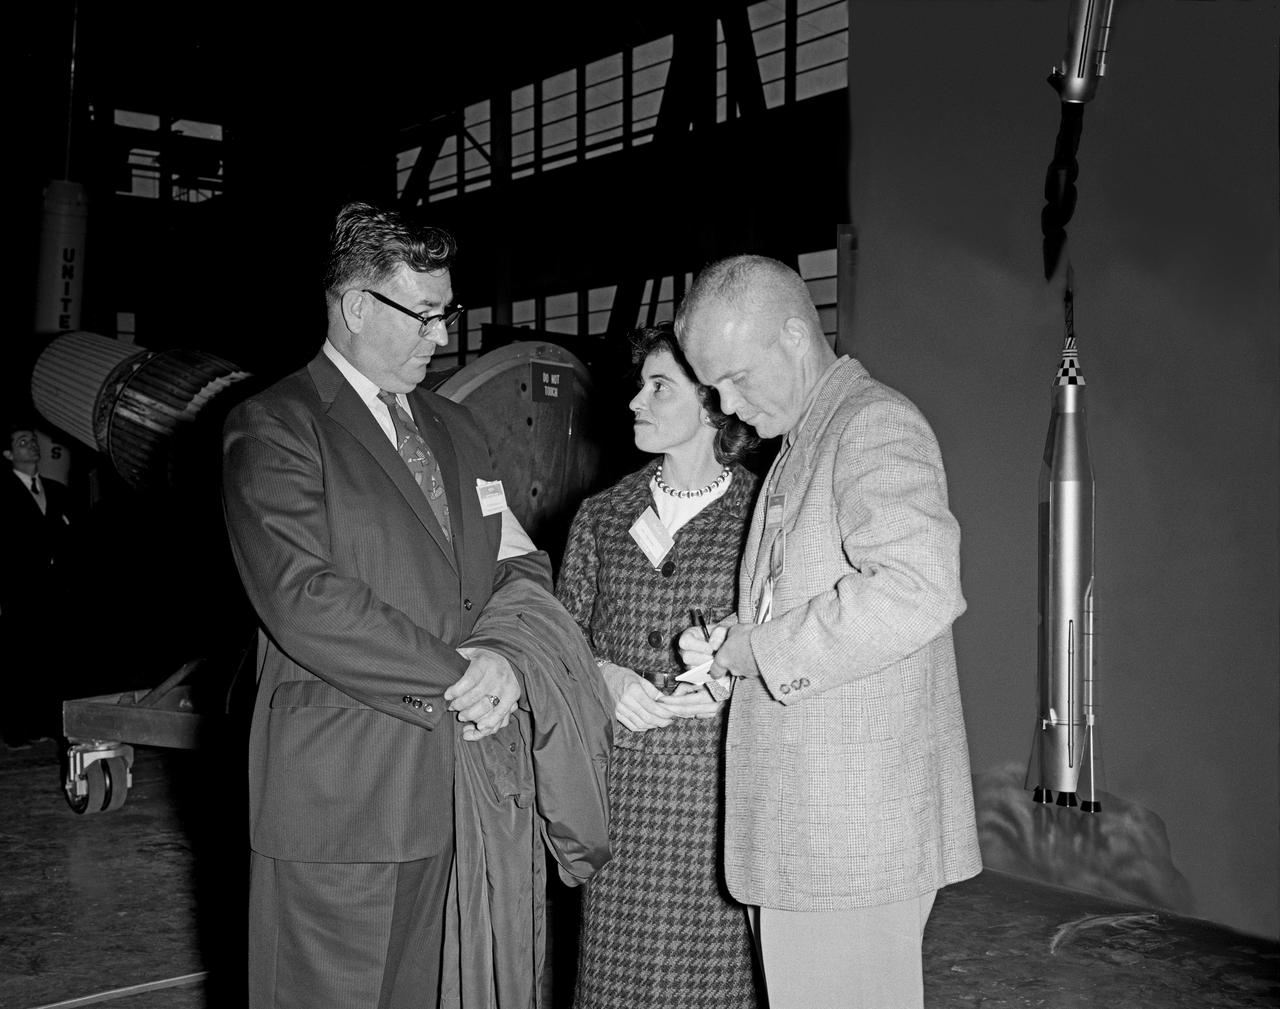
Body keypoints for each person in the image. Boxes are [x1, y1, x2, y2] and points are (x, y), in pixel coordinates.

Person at [221, 201, 556, 1009]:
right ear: (357, 306)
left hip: (455, 795)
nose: (442, 336)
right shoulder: (275, 427)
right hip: (344, 804)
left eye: (449, 313)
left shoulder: (459, 428)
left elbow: (518, 557)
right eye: (425, 315)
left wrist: (510, 656)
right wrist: (460, 676)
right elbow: (306, 599)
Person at [675, 255, 982, 1009]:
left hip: (847, 840)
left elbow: (918, 585)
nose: (725, 402)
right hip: (813, 835)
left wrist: (764, 650)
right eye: (712, 385)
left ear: (793, 335)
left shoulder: (871, 422)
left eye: (737, 378)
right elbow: (806, 597)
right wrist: (733, 646)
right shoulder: (805, 441)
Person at [555, 323, 762, 1009]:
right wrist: (603, 677)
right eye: (640, 385)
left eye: (659, 386)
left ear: (710, 403)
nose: (636, 401)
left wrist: (735, 689)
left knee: (714, 986)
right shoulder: (601, 517)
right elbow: (557, 647)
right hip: (621, 807)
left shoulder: (764, 517)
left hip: (719, 804)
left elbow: (796, 645)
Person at [1, 424, 75, 745]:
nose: (31, 445)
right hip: (18, 593)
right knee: (20, 661)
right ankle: (19, 730)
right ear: (8, 454)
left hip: (55, 593)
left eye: (32, 440)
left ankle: (49, 725)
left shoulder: (57, 491)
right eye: (22, 442)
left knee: (53, 658)